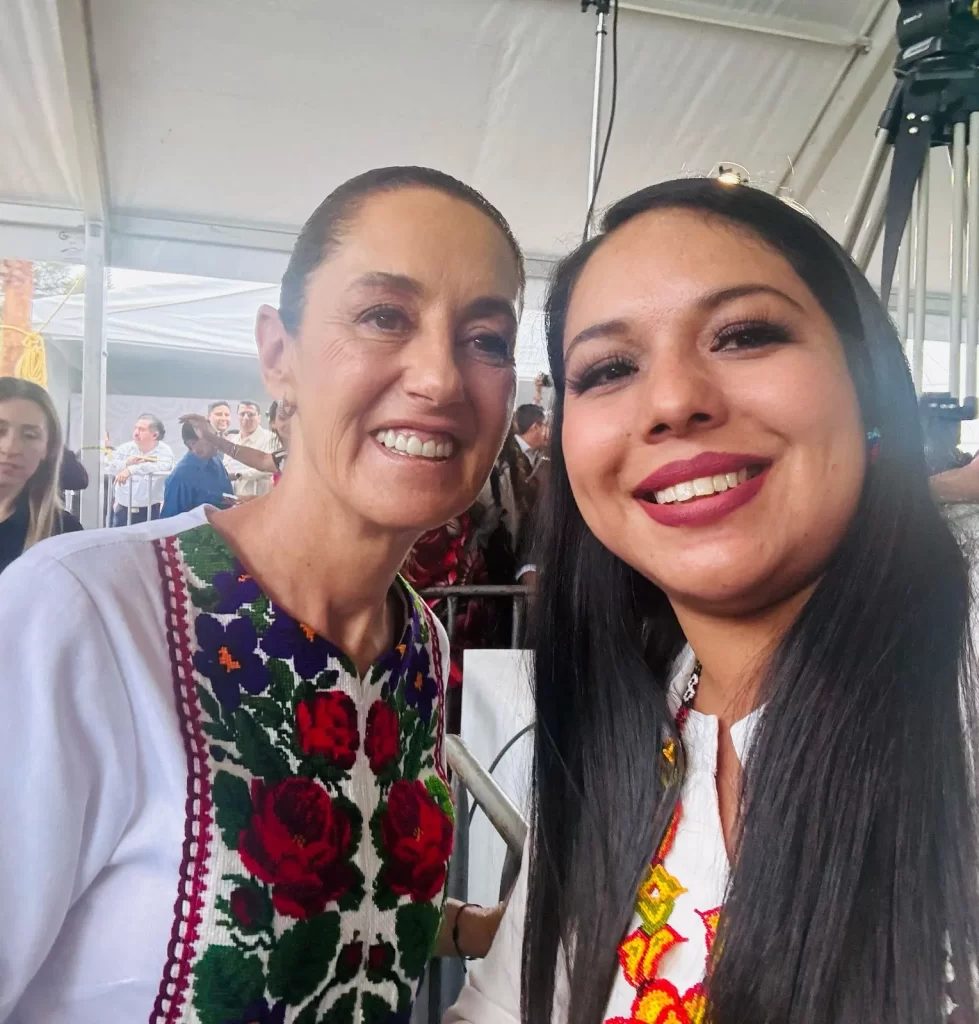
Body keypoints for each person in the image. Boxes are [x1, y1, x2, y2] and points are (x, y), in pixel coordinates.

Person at [0, 165, 524, 1023]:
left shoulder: (418, 644)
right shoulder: (85, 613)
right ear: (279, 356)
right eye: (384, 316)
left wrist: (483, 928)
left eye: (487, 339)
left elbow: (348, 904)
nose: (439, 378)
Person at [447, 179, 979, 1024]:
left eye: (744, 335)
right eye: (608, 369)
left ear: (866, 380)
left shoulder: (956, 690)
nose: (671, 402)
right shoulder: (619, 729)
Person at [0, 377, 81, 574]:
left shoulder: (62, 533)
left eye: (30, 436)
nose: (10, 448)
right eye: (0, 431)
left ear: (48, 448)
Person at [105, 413, 175, 525]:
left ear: (155, 435)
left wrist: (132, 470)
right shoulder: (125, 448)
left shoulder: (164, 451)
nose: (136, 432)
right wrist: (126, 463)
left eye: (141, 429)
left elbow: (163, 465)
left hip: (150, 511)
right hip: (123, 510)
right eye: (136, 428)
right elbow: (108, 465)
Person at [160, 420, 235, 518]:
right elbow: (171, 521)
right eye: (210, 438)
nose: (217, 442)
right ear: (192, 444)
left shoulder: (216, 460)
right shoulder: (180, 477)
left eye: (216, 435)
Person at [224, 400, 277, 497]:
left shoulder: (271, 439)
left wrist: (239, 475)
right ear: (237, 417)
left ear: (259, 418)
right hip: (235, 500)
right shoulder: (232, 441)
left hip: (261, 499)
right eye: (242, 414)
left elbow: (270, 468)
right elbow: (226, 466)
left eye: (250, 414)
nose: (246, 418)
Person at [512, 403, 546, 468]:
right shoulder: (508, 452)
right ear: (535, 427)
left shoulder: (539, 454)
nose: (550, 431)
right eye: (546, 425)